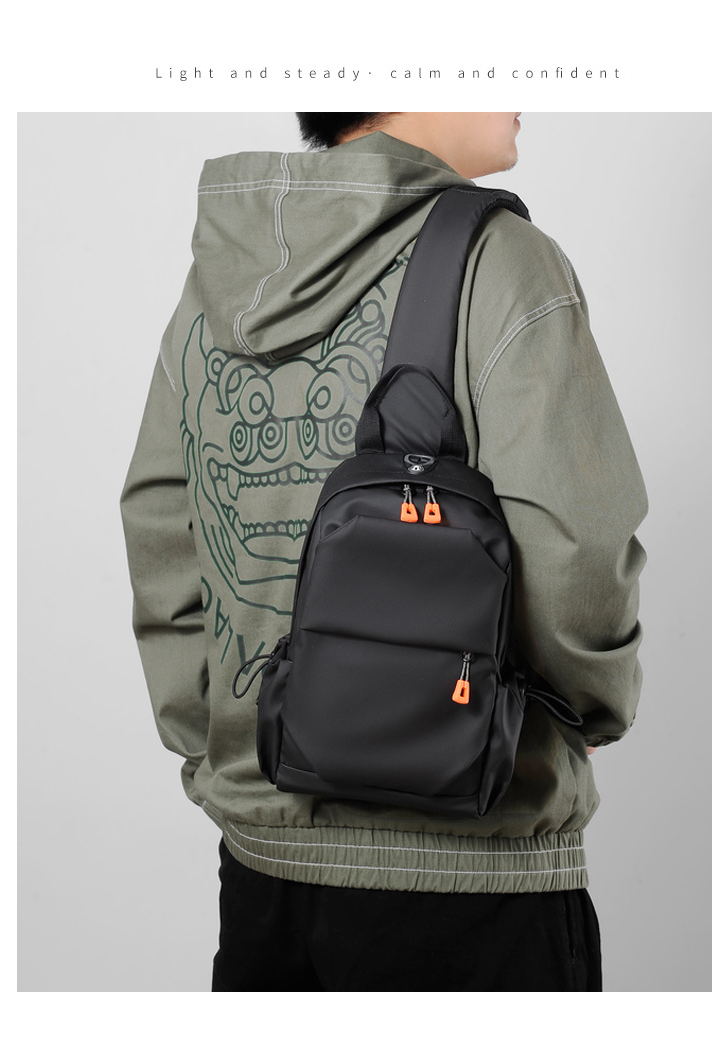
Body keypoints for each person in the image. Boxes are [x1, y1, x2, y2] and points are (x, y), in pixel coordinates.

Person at [121, 112, 647, 991]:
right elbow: (575, 549)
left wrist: (221, 739)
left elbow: (162, 520)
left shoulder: (220, 277)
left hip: (263, 871)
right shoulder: (502, 263)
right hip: (476, 881)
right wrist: (585, 707)